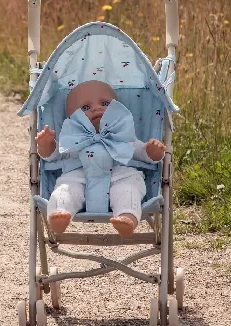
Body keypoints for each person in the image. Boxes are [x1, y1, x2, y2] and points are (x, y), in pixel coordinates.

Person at [36, 80, 166, 237]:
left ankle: (127, 218)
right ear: (71, 118)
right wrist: (46, 145)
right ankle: (60, 215)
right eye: (85, 107)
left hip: (120, 177)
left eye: (105, 103)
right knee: (65, 191)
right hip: (78, 178)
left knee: (128, 190)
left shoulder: (123, 136)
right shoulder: (71, 138)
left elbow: (141, 152)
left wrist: (152, 151)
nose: (97, 108)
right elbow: (53, 156)